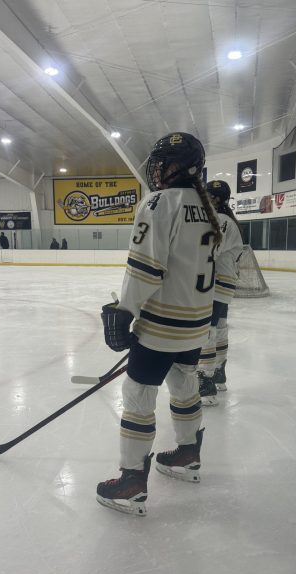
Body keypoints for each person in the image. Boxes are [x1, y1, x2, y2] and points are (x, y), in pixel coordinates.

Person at [97, 132, 222, 516]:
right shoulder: (209, 209)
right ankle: (187, 454)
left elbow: (146, 269)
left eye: (163, 164)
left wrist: (125, 310)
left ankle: (132, 481)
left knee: (137, 397)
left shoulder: (158, 203)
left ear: (180, 168)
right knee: (185, 385)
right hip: (196, 324)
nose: (157, 171)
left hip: (162, 326)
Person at [197, 181, 243, 405]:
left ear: (215, 198)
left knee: (208, 328)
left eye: (208, 195)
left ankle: (205, 382)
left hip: (216, 283)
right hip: (225, 283)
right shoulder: (229, 220)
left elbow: (209, 251)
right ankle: (218, 374)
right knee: (220, 326)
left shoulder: (221, 221)